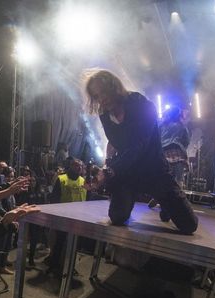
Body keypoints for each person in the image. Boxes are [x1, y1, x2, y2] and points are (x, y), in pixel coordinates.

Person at [84, 70, 198, 234]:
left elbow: (138, 146)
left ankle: (166, 203)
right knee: (117, 217)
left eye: (103, 92)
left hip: (154, 170)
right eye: (96, 96)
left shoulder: (142, 105)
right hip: (127, 173)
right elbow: (114, 143)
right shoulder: (104, 113)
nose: (101, 99)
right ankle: (159, 201)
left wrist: (109, 172)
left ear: (113, 86)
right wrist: (105, 168)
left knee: (189, 225)